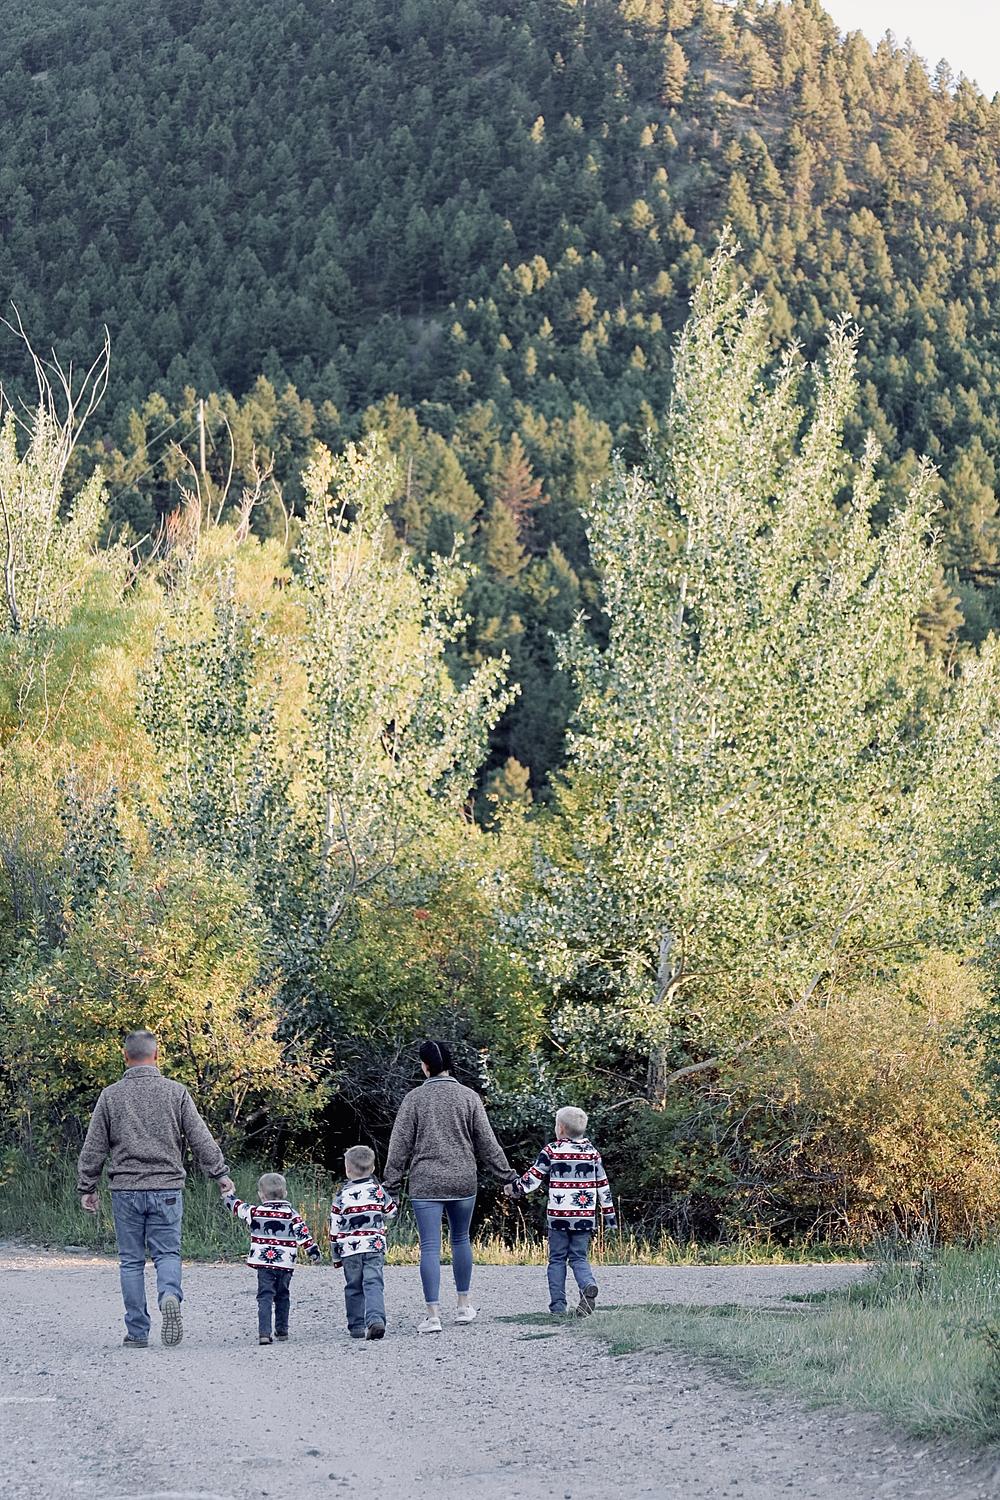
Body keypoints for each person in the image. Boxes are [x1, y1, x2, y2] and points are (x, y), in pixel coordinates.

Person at [77, 1029, 235, 1348]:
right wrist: (219, 1173)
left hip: (125, 1190)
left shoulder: (110, 1096)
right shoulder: (175, 1092)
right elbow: (200, 1137)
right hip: (166, 1189)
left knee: (131, 1261)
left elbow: (94, 1147)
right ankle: (169, 1295)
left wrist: (87, 1186)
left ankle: (137, 1332)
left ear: (125, 1056)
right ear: (157, 1055)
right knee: (167, 1253)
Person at [383, 1039, 518, 1334]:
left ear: (425, 1066)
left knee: (429, 1247)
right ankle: (463, 1306)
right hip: (462, 1180)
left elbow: (399, 1146)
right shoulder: (469, 1097)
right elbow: (487, 1143)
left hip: (426, 1182)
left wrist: (390, 1187)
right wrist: (507, 1177)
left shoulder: (414, 1099)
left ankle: (432, 1315)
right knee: (460, 1239)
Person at [506, 1105, 616, 1317]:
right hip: (584, 1217)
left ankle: (558, 1307)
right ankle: (587, 1285)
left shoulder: (552, 1150)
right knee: (579, 1258)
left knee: (557, 1259)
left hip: (559, 1217)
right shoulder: (592, 1153)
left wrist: (515, 1188)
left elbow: (534, 1177)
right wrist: (609, 1215)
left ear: (561, 1128)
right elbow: (603, 1184)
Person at [223, 1172, 323, 1344]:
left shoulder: (256, 1212)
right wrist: (312, 1250)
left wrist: (228, 1195)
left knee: (265, 1296)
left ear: (261, 1195)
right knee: (283, 1295)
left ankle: (264, 1333)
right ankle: (282, 1331)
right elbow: (303, 1234)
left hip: (264, 1263)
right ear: (285, 1193)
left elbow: (237, 1207)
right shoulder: (291, 1214)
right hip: (285, 1263)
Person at [329, 1145, 397, 1341]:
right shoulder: (378, 1191)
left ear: (347, 1169)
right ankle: (376, 1320)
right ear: (373, 1168)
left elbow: (334, 1228)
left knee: (353, 1286)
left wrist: (335, 1256)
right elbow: (391, 1212)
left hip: (349, 1249)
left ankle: (357, 1326)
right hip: (374, 1246)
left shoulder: (341, 1196)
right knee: (373, 1283)